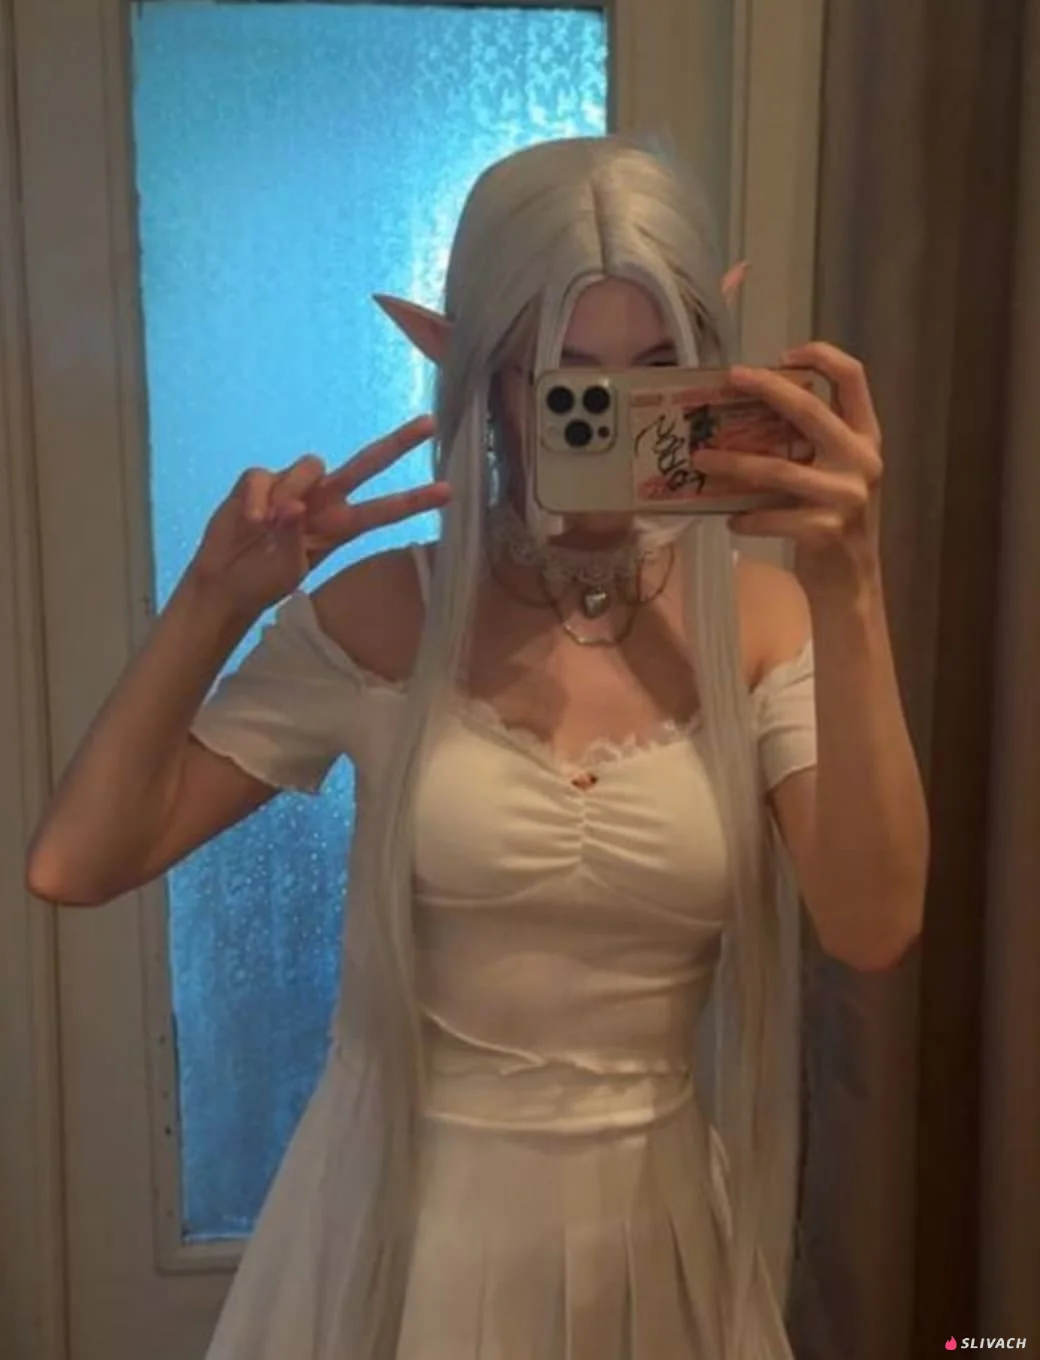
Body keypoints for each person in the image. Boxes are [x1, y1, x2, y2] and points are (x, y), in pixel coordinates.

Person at [26, 136, 929, 1359]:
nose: (604, 416)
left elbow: (871, 924)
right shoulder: (384, 615)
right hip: (392, 1238)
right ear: (485, 377)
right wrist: (211, 602)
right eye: (564, 376)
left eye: (654, 374)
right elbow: (77, 862)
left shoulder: (762, 623)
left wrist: (851, 584)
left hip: (652, 1241)